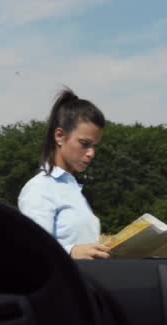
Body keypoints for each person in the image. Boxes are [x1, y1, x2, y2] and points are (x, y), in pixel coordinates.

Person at [18, 87, 111, 260]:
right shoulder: (40, 188)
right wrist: (71, 251)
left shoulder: (73, 189)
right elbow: (31, 250)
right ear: (59, 136)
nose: (91, 153)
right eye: (84, 143)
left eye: (94, 146)